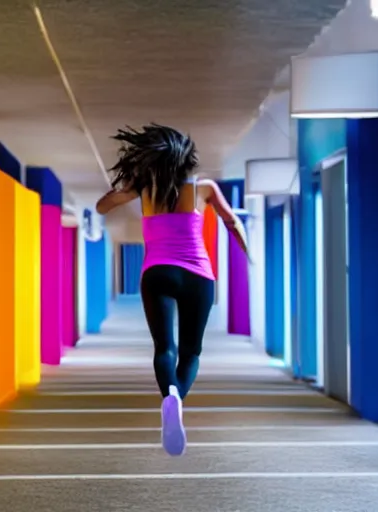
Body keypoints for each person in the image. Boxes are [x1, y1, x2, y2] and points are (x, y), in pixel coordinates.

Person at [96, 123, 250, 456]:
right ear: (187, 159)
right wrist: (247, 251)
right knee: (191, 352)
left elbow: (102, 207)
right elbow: (231, 221)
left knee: (164, 348)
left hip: (158, 273)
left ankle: (170, 395)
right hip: (198, 275)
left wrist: (128, 186)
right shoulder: (203, 188)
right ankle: (177, 397)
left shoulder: (146, 187)